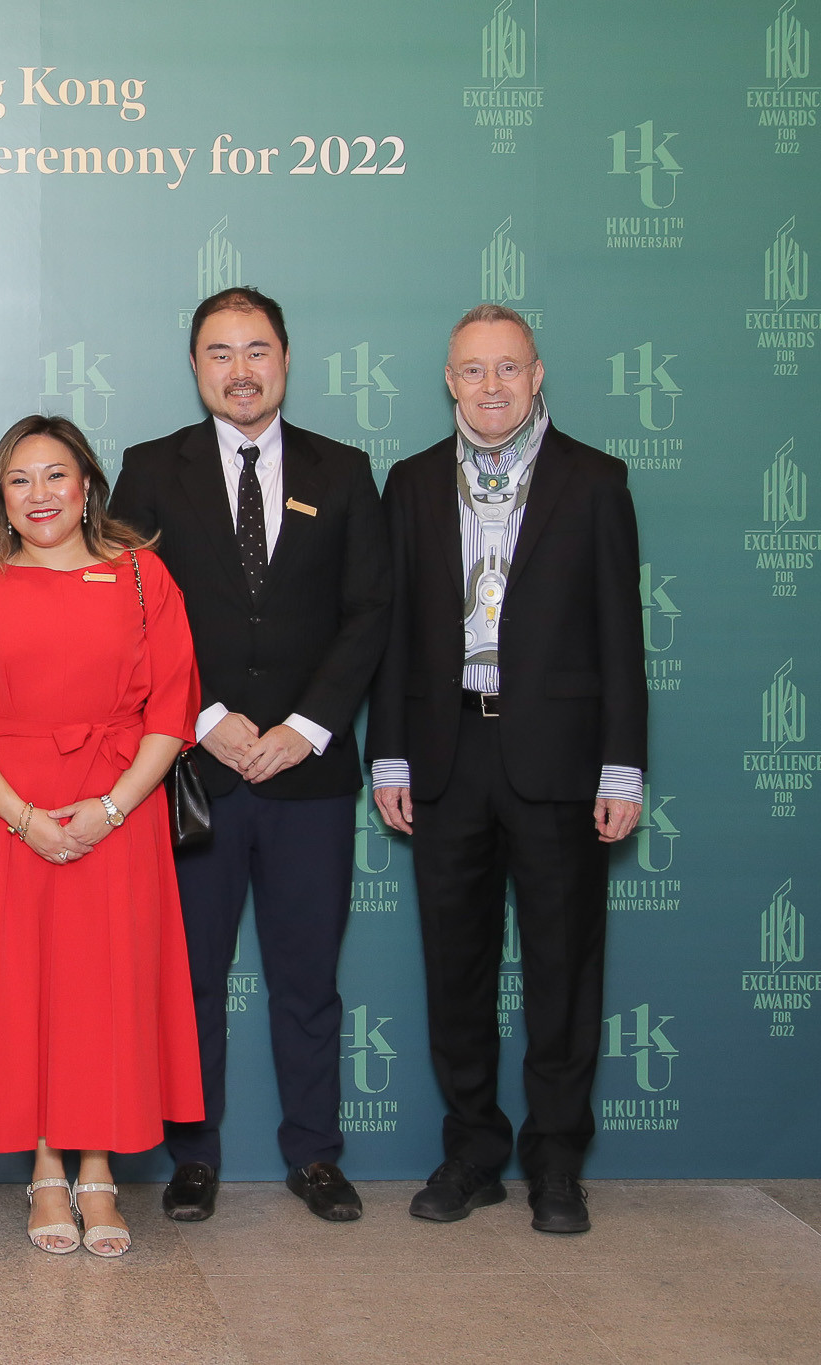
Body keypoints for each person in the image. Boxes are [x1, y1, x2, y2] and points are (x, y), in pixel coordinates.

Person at [109, 287, 391, 1224]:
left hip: (311, 777)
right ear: (195, 367)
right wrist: (204, 716)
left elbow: (370, 612)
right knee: (190, 979)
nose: (241, 370)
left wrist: (306, 726)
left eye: (257, 350)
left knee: (308, 980)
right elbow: (129, 613)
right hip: (194, 773)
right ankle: (193, 1157)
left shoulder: (343, 470)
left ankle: (315, 1155)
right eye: (220, 353)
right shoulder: (152, 469)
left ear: (286, 358)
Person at [368, 304, 646, 1235]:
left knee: (564, 968)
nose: (492, 386)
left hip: (560, 759)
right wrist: (390, 750)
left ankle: (557, 1163)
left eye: (509, 368)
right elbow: (394, 632)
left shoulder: (595, 480)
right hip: (446, 752)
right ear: (449, 380)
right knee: (457, 968)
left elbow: (622, 636)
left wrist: (622, 768)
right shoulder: (410, 483)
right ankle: (474, 1154)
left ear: (538, 375)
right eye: (474, 370)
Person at [0, 414, 204, 1258]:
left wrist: (111, 808)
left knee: (106, 988)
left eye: (54, 475)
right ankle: (45, 1168)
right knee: (25, 988)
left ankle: (99, 1170)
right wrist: (24, 816)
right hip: (7, 816)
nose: (39, 494)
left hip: (119, 809)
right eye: (19, 479)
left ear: (86, 488)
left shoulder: (145, 576)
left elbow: (173, 709)